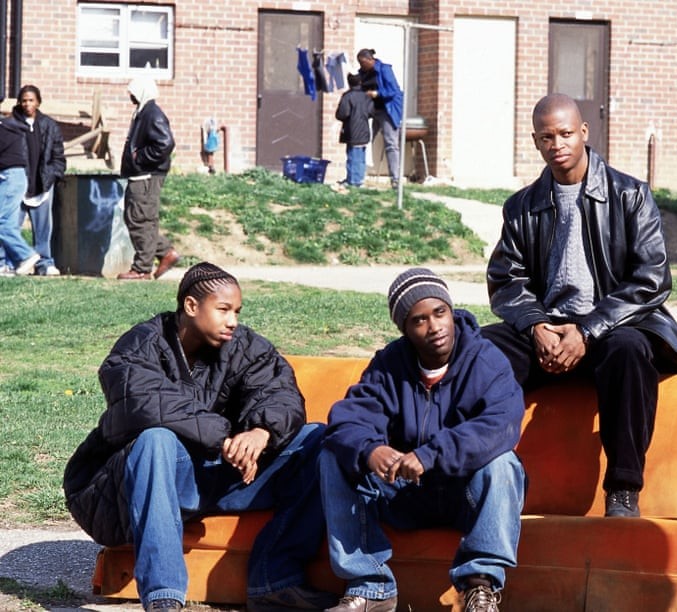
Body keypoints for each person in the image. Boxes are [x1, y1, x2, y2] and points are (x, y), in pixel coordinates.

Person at [63, 262, 336, 612]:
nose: (232, 321)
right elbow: (140, 402)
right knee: (155, 440)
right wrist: (222, 437)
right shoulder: (139, 345)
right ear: (191, 306)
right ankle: (164, 597)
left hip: (228, 475)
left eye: (236, 311)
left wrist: (261, 431)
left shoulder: (245, 346)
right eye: (223, 310)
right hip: (155, 480)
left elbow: (281, 392)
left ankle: (274, 580)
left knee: (319, 440)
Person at [481, 93, 677, 518]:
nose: (557, 144)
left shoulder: (629, 195)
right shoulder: (522, 207)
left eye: (565, 134)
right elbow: (506, 280)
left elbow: (651, 279)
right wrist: (537, 326)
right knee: (481, 352)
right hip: (549, 329)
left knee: (630, 350)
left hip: (610, 327)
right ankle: (477, 473)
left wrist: (587, 329)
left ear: (584, 133)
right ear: (536, 142)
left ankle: (624, 489)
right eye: (546, 137)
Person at [319, 268, 526, 612]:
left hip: (466, 496)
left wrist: (431, 454)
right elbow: (347, 419)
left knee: (504, 463)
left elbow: (500, 426)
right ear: (404, 328)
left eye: (440, 313)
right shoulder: (389, 365)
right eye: (419, 320)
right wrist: (372, 450)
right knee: (331, 453)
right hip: (406, 494)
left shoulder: (486, 360)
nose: (434, 327)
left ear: (450, 309)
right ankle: (370, 587)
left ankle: (479, 588)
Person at [118, 76, 179, 281]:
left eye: (133, 92)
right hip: (141, 175)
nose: (130, 96)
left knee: (140, 219)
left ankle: (142, 268)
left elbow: (165, 143)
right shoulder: (144, 112)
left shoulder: (152, 113)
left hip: (146, 176)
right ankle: (165, 252)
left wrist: (140, 157)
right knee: (139, 219)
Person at [0, 86, 66, 276]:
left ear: (38, 102)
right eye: (24, 100)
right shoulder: (11, 125)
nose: (27, 104)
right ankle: (11, 263)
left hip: (42, 183)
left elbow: (58, 157)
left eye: (31, 100)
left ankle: (44, 262)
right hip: (19, 183)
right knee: (9, 225)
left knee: (43, 228)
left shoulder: (49, 125)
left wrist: (51, 176)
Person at [356, 48, 404, 189]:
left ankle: (395, 179)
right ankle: (359, 176)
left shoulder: (384, 70)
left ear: (371, 60)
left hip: (386, 110)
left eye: (363, 62)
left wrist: (376, 94)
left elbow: (394, 90)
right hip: (371, 109)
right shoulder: (362, 73)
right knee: (362, 139)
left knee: (391, 143)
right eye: (359, 63)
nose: (361, 65)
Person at [0, 111, 40, 276]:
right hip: (13, 177)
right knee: (7, 223)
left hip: (10, 177)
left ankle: (26, 255)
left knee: (1, 222)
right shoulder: (8, 127)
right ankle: (4, 265)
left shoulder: (3, 129)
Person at [335, 73, 373, 189]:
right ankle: (359, 179)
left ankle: (352, 181)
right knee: (361, 157)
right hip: (364, 130)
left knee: (352, 157)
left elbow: (342, 113)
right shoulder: (367, 96)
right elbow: (371, 112)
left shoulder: (348, 96)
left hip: (352, 130)